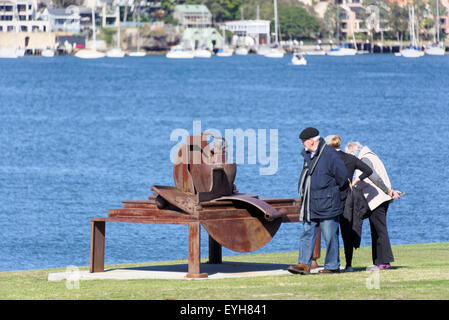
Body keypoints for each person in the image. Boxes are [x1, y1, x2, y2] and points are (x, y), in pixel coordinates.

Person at [288, 127, 348, 275]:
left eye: (304, 141)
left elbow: (342, 176)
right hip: (310, 202)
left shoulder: (330, 154)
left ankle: (332, 266)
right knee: (307, 233)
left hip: (328, 202)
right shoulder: (309, 154)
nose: (302, 144)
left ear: (312, 141)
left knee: (330, 236)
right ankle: (304, 264)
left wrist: (330, 192)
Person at [345, 141, 401, 270]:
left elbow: (373, 176)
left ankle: (384, 262)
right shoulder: (372, 156)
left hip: (378, 199)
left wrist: (388, 191)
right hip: (381, 198)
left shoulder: (365, 158)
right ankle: (378, 261)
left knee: (379, 230)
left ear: (353, 152)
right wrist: (390, 190)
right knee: (376, 230)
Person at [325, 135, 373, 272]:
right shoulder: (351, 158)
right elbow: (369, 170)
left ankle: (333, 263)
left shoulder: (329, 160)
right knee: (347, 231)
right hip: (348, 198)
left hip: (332, 198)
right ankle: (349, 264)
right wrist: (356, 180)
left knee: (332, 232)